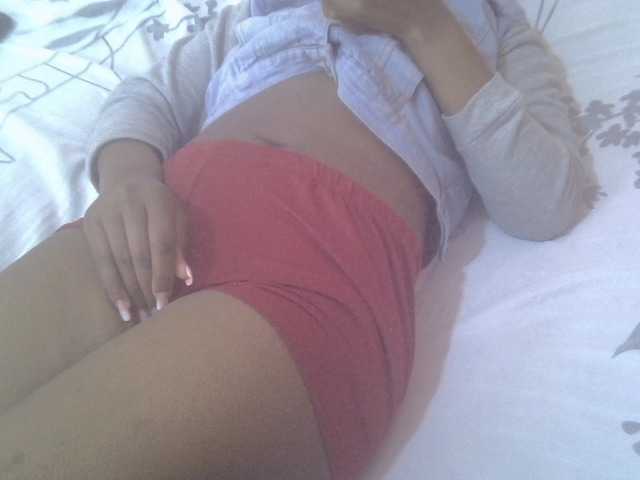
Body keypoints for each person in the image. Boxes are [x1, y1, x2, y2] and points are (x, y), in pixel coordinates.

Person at [0, 0, 589, 478]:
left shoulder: (498, 32)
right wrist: (128, 177)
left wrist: (425, 24)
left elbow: (546, 203)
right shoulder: (261, 12)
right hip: (159, 213)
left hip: (320, 257)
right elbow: (147, 96)